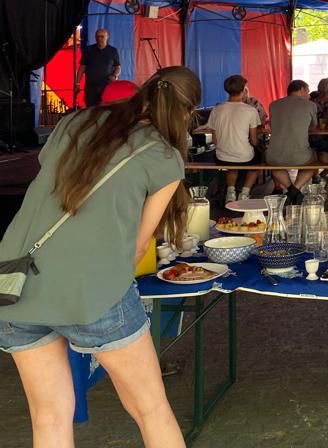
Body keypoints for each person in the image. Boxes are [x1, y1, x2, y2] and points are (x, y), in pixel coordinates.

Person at [0, 67, 199, 448]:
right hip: (92, 289)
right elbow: (138, 247)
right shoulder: (164, 156)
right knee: (151, 410)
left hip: (13, 281)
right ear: (187, 112)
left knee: (49, 417)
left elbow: (51, 181)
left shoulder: (76, 121)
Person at [207, 75, 261, 202]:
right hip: (245, 157)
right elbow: (254, 141)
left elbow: (215, 140)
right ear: (243, 90)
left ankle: (230, 192)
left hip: (221, 157)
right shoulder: (250, 110)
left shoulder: (216, 109)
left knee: (231, 163)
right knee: (257, 163)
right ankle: (245, 192)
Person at [266, 80, 318, 204]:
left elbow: (272, 125)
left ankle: (291, 190)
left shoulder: (274, 105)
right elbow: (313, 126)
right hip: (300, 156)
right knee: (314, 163)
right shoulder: (310, 105)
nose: (308, 95)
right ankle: (295, 190)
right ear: (302, 89)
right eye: (307, 91)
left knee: (274, 165)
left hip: (274, 156)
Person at [76, 28, 121, 107]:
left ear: (107, 37)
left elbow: (118, 67)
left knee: (106, 108)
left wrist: (114, 75)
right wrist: (77, 83)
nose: (99, 39)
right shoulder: (88, 50)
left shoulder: (113, 51)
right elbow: (82, 67)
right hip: (91, 87)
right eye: (97, 36)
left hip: (106, 86)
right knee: (91, 107)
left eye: (102, 36)